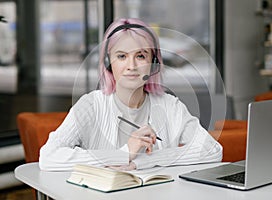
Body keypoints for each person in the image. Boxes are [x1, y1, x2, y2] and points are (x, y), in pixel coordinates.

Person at [39, 18, 222, 171]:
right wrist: (124, 153)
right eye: (121, 56)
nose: (131, 66)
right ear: (108, 62)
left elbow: (212, 150)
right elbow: (48, 156)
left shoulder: (170, 106)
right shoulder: (90, 105)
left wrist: (142, 162)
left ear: (154, 63)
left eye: (141, 56)